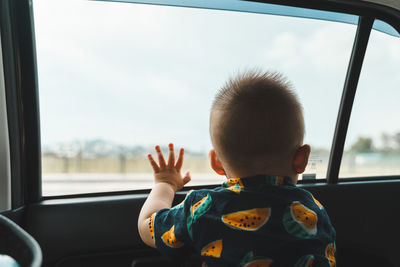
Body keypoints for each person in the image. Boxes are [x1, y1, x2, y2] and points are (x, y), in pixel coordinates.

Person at [137, 70, 336, 267]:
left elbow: (148, 227)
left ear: (216, 162)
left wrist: (165, 184)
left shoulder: (204, 208)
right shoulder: (314, 211)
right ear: (301, 159)